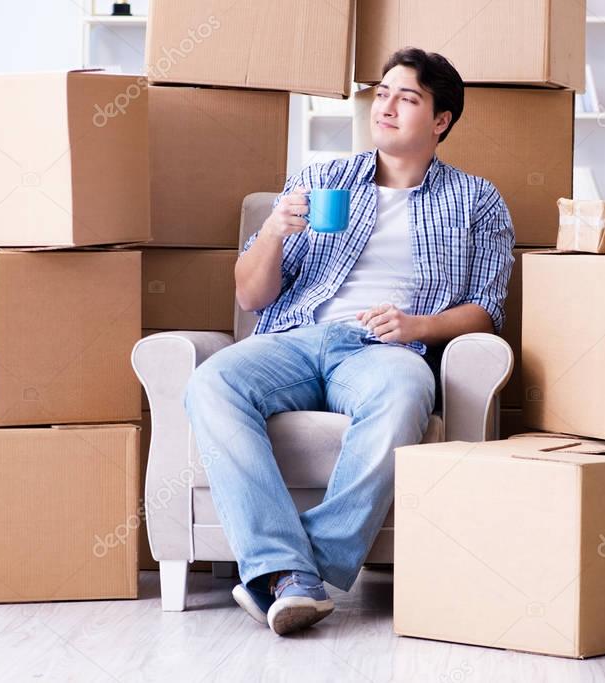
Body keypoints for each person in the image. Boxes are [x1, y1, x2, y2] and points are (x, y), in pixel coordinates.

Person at [185, 47, 515, 636]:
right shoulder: (320, 180)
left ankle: (292, 575)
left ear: (441, 120)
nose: (385, 107)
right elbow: (250, 297)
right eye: (382, 93)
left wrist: (419, 327)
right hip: (297, 336)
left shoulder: (477, 201)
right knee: (213, 380)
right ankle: (288, 571)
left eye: (407, 98)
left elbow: (486, 312)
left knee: (405, 397)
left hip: (388, 351)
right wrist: (274, 236)